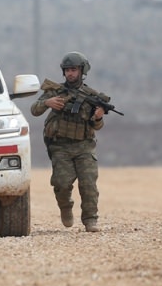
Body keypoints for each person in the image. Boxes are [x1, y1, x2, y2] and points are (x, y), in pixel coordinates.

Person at [30, 52, 110, 232]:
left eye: (73, 70)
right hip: (61, 147)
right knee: (61, 183)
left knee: (89, 184)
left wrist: (98, 117)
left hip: (84, 146)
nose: (70, 74)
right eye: (67, 70)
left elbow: (98, 126)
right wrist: (47, 103)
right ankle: (65, 207)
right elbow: (34, 110)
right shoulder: (54, 92)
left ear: (82, 71)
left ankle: (90, 220)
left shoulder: (92, 96)